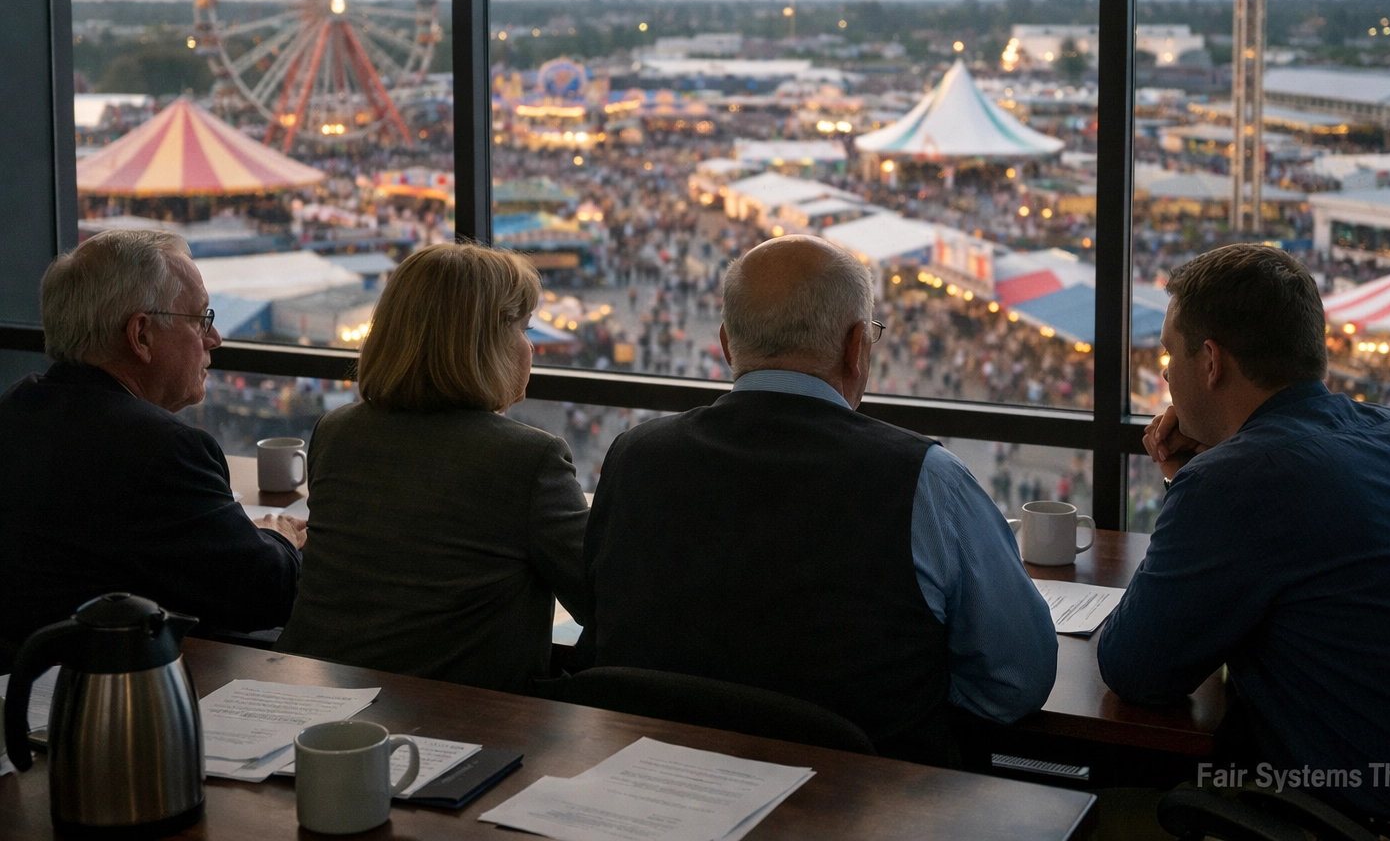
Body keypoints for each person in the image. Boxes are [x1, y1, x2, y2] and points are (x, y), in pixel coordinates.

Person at [1097, 243, 1390, 828]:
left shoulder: (1237, 481)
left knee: (1116, 808)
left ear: (1210, 362)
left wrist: (1200, 483)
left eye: (1168, 355)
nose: (1165, 374)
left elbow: (1135, 669)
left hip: (1389, 813)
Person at [583, 235, 1057, 766]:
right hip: (874, 803)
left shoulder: (632, 458)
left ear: (725, 345)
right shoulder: (927, 479)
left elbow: (606, 628)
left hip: (662, 786)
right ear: (857, 346)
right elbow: (1019, 679)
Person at [276, 243, 590, 693]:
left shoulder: (337, 431)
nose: (530, 347)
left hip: (318, 698)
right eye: (525, 329)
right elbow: (601, 600)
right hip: (456, 720)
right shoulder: (528, 459)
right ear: (488, 344)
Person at [0, 230, 304, 661]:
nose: (213, 339)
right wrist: (279, 538)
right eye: (201, 319)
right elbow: (266, 594)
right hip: (112, 699)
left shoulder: (15, 407)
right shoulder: (163, 450)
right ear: (141, 335)